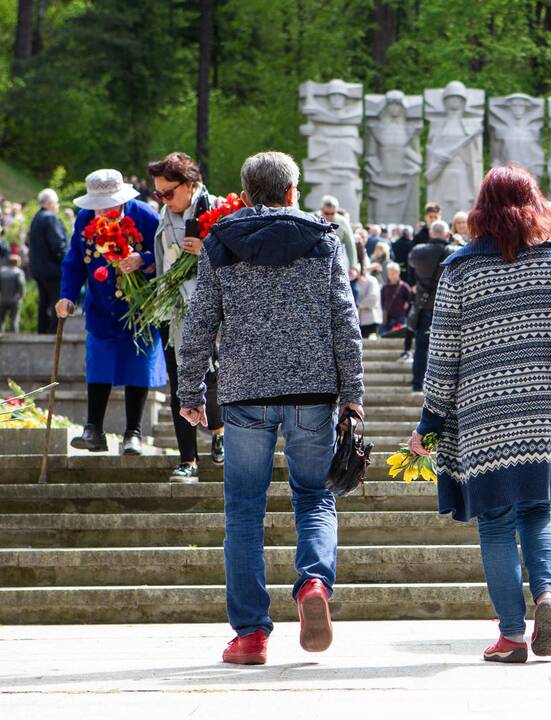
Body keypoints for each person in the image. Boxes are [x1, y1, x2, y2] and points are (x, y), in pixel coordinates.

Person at [408, 165, 551, 663]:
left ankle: (513, 636)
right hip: (542, 413)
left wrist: (429, 423)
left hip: (482, 419)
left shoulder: (458, 269)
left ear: (481, 209)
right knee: (538, 514)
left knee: (495, 524)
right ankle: (548, 598)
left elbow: (444, 353)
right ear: (535, 205)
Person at [177, 151, 365, 666]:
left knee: (243, 509)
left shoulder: (219, 243)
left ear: (244, 192)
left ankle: (252, 635)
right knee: (315, 497)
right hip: (312, 392)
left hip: (244, 395)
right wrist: (353, 394)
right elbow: (344, 323)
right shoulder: (324, 240)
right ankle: (312, 584)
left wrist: (191, 393)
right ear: (290, 192)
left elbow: (198, 325)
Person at [56, 170, 166, 454]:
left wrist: (141, 259)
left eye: (109, 204)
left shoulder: (145, 216)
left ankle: (133, 433)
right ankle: (94, 430)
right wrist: (67, 296)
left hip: (141, 308)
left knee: (138, 367)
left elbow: (167, 255)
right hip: (102, 307)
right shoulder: (85, 219)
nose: (103, 211)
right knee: (99, 364)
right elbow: (75, 262)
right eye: (98, 205)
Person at [147, 152, 226, 482]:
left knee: (209, 375)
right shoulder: (165, 216)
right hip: (171, 309)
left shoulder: (217, 210)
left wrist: (207, 248)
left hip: (206, 309)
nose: (164, 200)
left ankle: (220, 430)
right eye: (158, 194)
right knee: (178, 383)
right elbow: (162, 258)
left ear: (191, 186)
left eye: (168, 193)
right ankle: (187, 459)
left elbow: (239, 262)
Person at [407, 219, 454, 393]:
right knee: (444, 349)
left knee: (420, 348)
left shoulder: (418, 252)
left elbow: (411, 265)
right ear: (447, 235)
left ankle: (417, 384)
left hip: (423, 306)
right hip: (445, 308)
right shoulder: (453, 252)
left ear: (430, 234)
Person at [27, 188, 68, 334]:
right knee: (56, 301)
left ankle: (43, 330)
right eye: (57, 203)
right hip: (53, 269)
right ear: (50, 203)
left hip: (39, 269)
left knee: (44, 301)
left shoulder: (36, 218)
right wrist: (67, 262)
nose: (58, 206)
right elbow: (58, 244)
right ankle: (53, 331)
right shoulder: (50, 218)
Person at [378, 261, 412, 338]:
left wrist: (407, 305)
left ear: (398, 273)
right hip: (388, 319)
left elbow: (410, 300)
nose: (392, 275)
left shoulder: (404, 286)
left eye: (394, 273)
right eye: (390, 273)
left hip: (400, 318)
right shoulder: (385, 288)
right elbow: (382, 302)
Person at [355, 252, 382, 338]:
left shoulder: (372, 281)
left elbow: (373, 299)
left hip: (370, 320)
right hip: (358, 321)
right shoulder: (353, 282)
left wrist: (358, 305)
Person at [0, 254, 26, 333]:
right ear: (17, 262)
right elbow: (21, 285)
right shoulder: (18, 272)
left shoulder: (2, 271)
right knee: (14, 319)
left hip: (2, 299)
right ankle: (13, 337)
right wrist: (21, 296)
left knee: (1, 319)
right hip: (14, 300)